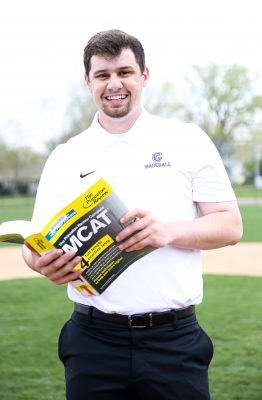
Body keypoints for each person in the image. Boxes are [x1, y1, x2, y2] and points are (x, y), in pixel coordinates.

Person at [22, 29, 243, 400]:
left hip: (174, 341)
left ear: (144, 75)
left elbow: (230, 225)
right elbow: (34, 242)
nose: (114, 84)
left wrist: (167, 232)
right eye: (102, 75)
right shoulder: (65, 155)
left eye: (124, 72)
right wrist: (39, 262)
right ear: (88, 82)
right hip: (92, 341)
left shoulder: (187, 139)